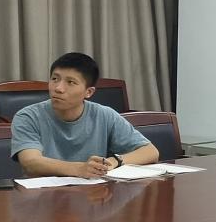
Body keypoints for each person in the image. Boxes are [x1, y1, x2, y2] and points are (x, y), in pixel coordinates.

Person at [10, 52, 158, 178]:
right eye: (55, 79)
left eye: (70, 82)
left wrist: (114, 161)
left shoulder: (105, 115)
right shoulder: (28, 116)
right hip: (42, 195)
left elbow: (151, 152)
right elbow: (30, 163)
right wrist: (79, 169)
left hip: (93, 194)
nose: (58, 88)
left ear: (89, 92)